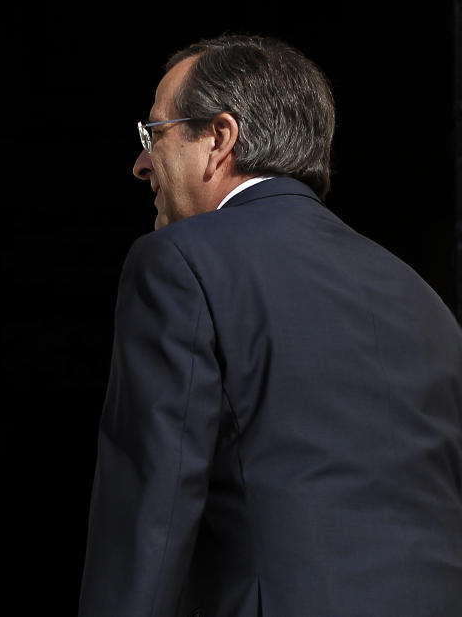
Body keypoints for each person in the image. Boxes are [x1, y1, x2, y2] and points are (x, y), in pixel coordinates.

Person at [78, 34, 462, 616]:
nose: (140, 164)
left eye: (153, 135)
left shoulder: (181, 260)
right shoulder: (423, 298)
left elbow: (150, 513)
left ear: (219, 139)